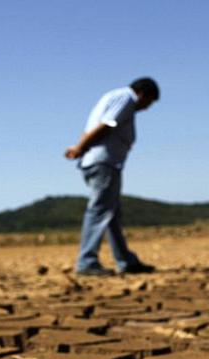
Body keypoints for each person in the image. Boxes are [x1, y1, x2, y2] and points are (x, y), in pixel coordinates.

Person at [64, 77, 159, 276]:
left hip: (99, 161)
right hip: (104, 163)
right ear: (142, 94)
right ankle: (86, 262)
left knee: (111, 214)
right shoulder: (126, 98)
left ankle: (126, 261)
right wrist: (80, 147)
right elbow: (107, 125)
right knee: (99, 211)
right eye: (149, 102)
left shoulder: (113, 97)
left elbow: (92, 127)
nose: (147, 107)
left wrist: (80, 148)